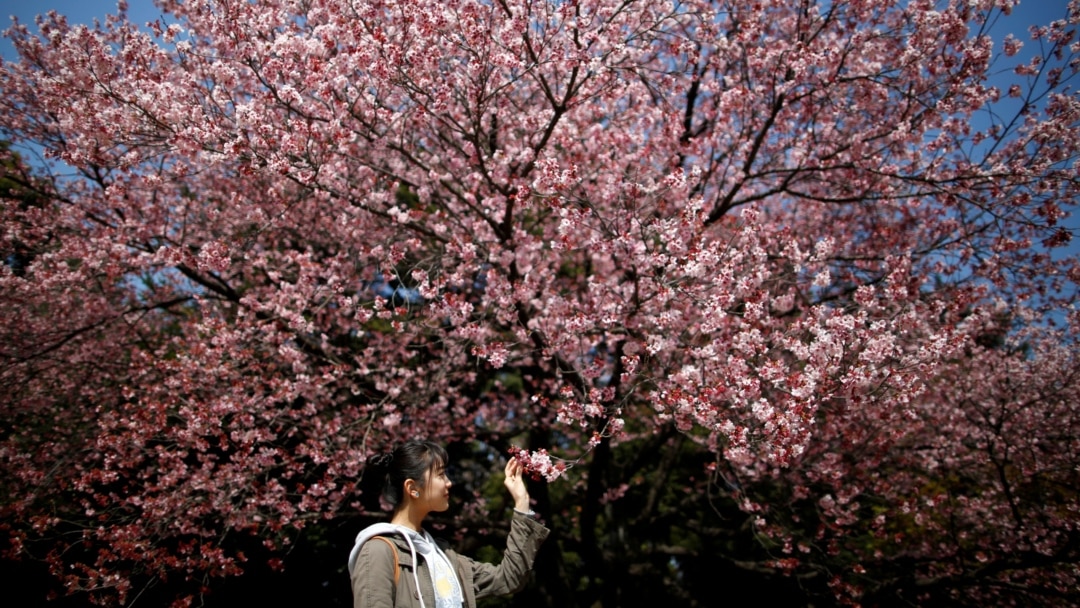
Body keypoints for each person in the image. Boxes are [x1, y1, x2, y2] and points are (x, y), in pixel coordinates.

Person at [348, 441, 549, 608]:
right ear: (412, 488)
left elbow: (508, 579)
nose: (449, 482)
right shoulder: (377, 551)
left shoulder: (445, 557)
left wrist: (522, 503)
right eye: (440, 474)